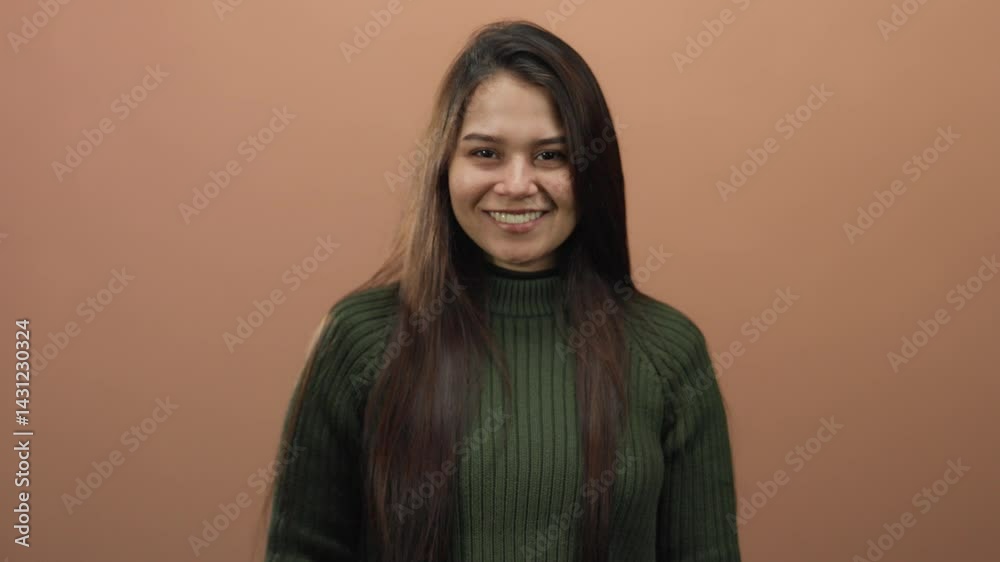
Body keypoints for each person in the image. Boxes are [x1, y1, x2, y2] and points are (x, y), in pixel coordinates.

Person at [259, 19, 741, 562]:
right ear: (445, 165)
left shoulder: (669, 351)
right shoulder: (358, 339)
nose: (516, 185)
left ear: (592, 169)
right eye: (486, 153)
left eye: (550, 155)